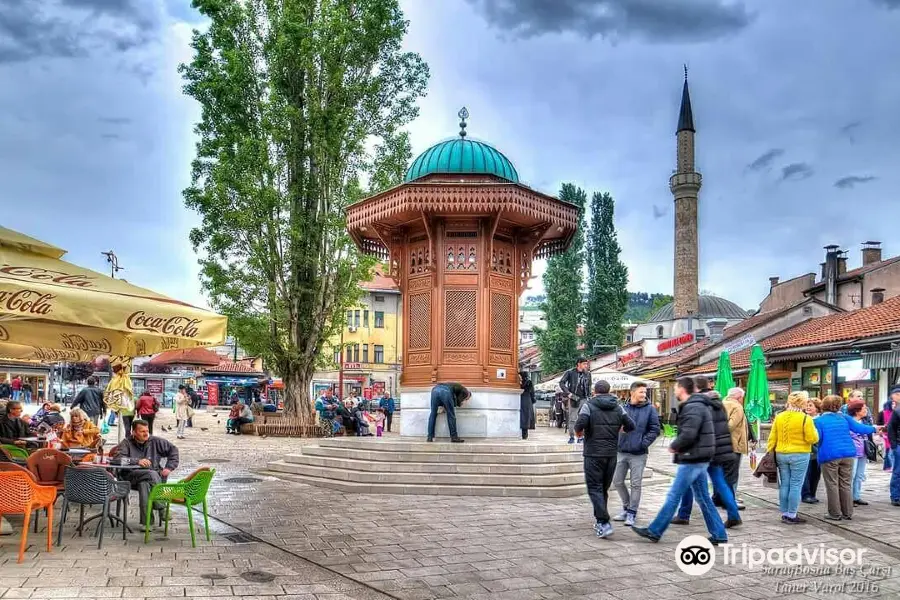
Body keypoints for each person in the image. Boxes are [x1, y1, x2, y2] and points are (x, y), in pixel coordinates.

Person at [632, 377, 727, 545]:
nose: (674, 390)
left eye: (675, 387)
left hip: (692, 457)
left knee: (674, 495)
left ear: (682, 389)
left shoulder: (693, 407)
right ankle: (719, 534)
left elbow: (689, 433)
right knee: (703, 498)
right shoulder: (698, 405)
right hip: (699, 457)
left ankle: (655, 530)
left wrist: (674, 446)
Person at [674, 386, 742, 529]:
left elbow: (695, 431)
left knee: (688, 483)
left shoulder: (703, 409)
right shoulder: (720, 408)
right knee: (721, 483)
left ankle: (684, 514)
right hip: (718, 451)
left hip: (703, 452)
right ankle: (733, 515)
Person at [575, 380, 635, 538]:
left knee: (594, 488)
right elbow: (631, 425)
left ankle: (604, 522)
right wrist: (620, 429)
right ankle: (600, 520)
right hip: (611, 454)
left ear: (594, 391)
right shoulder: (618, 406)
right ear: (609, 391)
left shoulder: (589, 405)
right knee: (602, 489)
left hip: (593, 454)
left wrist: (579, 434)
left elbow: (580, 424)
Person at [815, 395, 876, 520]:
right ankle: (848, 513)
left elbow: (817, 438)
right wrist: (875, 428)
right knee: (846, 483)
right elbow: (861, 428)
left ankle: (835, 513)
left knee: (832, 484)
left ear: (823, 406)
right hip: (848, 453)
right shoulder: (845, 417)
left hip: (829, 454)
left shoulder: (819, 421)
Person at [114, 419, 179, 532]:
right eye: (142, 431)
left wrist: (169, 467)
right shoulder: (126, 443)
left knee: (144, 484)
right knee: (151, 473)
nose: (145, 434)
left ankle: (147, 523)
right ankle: (162, 507)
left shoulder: (155, 441)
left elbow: (173, 450)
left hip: (152, 479)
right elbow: (117, 460)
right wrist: (136, 461)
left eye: (147, 431)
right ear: (133, 432)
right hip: (131, 476)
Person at [766, 391, 820, 524]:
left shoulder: (779, 416)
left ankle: (784, 512)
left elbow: (772, 437)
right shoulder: (805, 418)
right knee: (796, 484)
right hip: (800, 454)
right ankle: (792, 514)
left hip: (781, 454)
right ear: (802, 403)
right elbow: (812, 438)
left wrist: (769, 452)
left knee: (785, 483)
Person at [612, 381, 660, 527]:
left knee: (636, 484)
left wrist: (642, 443)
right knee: (617, 481)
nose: (644, 395)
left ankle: (632, 512)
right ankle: (626, 508)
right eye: (641, 392)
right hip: (621, 451)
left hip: (639, 453)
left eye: (645, 392)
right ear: (632, 392)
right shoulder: (622, 408)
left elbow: (655, 430)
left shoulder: (650, 410)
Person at [720, 386, 755, 508]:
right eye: (742, 398)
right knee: (731, 474)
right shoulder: (737, 407)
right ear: (739, 397)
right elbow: (730, 426)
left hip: (721, 445)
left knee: (721, 472)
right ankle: (729, 501)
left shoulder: (721, 404)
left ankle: (719, 498)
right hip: (734, 445)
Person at [559, 357, 592, 445]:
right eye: (584, 364)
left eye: (586, 364)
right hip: (574, 398)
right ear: (579, 364)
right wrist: (568, 393)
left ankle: (581, 437)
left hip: (585, 398)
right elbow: (561, 383)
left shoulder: (588, 374)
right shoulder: (570, 372)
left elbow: (589, 386)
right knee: (572, 419)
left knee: (584, 419)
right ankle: (572, 437)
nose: (586, 365)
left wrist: (590, 396)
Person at [847, 399, 871, 506]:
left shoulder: (865, 421)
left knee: (859, 475)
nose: (866, 410)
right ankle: (848, 498)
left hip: (863, 451)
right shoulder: (849, 422)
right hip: (853, 451)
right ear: (857, 411)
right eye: (864, 408)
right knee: (851, 475)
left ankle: (856, 496)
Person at [802, 398, 823, 504]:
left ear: (817, 408)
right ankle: (806, 494)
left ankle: (812, 493)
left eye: (811, 406)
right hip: (807, 450)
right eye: (807, 405)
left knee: (816, 473)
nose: (808, 407)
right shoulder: (804, 419)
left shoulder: (820, 420)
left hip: (819, 450)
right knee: (807, 473)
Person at [887, 388, 900, 507]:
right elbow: (891, 428)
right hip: (899, 445)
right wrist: (894, 445)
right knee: (898, 471)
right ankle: (895, 496)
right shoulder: (897, 411)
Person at [881, 395, 896, 472]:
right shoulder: (884, 413)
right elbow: (880, 423)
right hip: (886, 434)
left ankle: (890, 466)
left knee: (890, 452)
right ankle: (888, 466)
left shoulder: (896, 412)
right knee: (889, 451)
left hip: (893, 435)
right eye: (892, 404)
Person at [519, 371, 536, 440]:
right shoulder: (529, 382)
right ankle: (525, 435)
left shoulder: (518, 383)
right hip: (527, 400)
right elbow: (532, 392)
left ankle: (523, 434)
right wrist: (533, 400)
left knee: (522, 417)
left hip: (521, 399)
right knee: (526, 417)